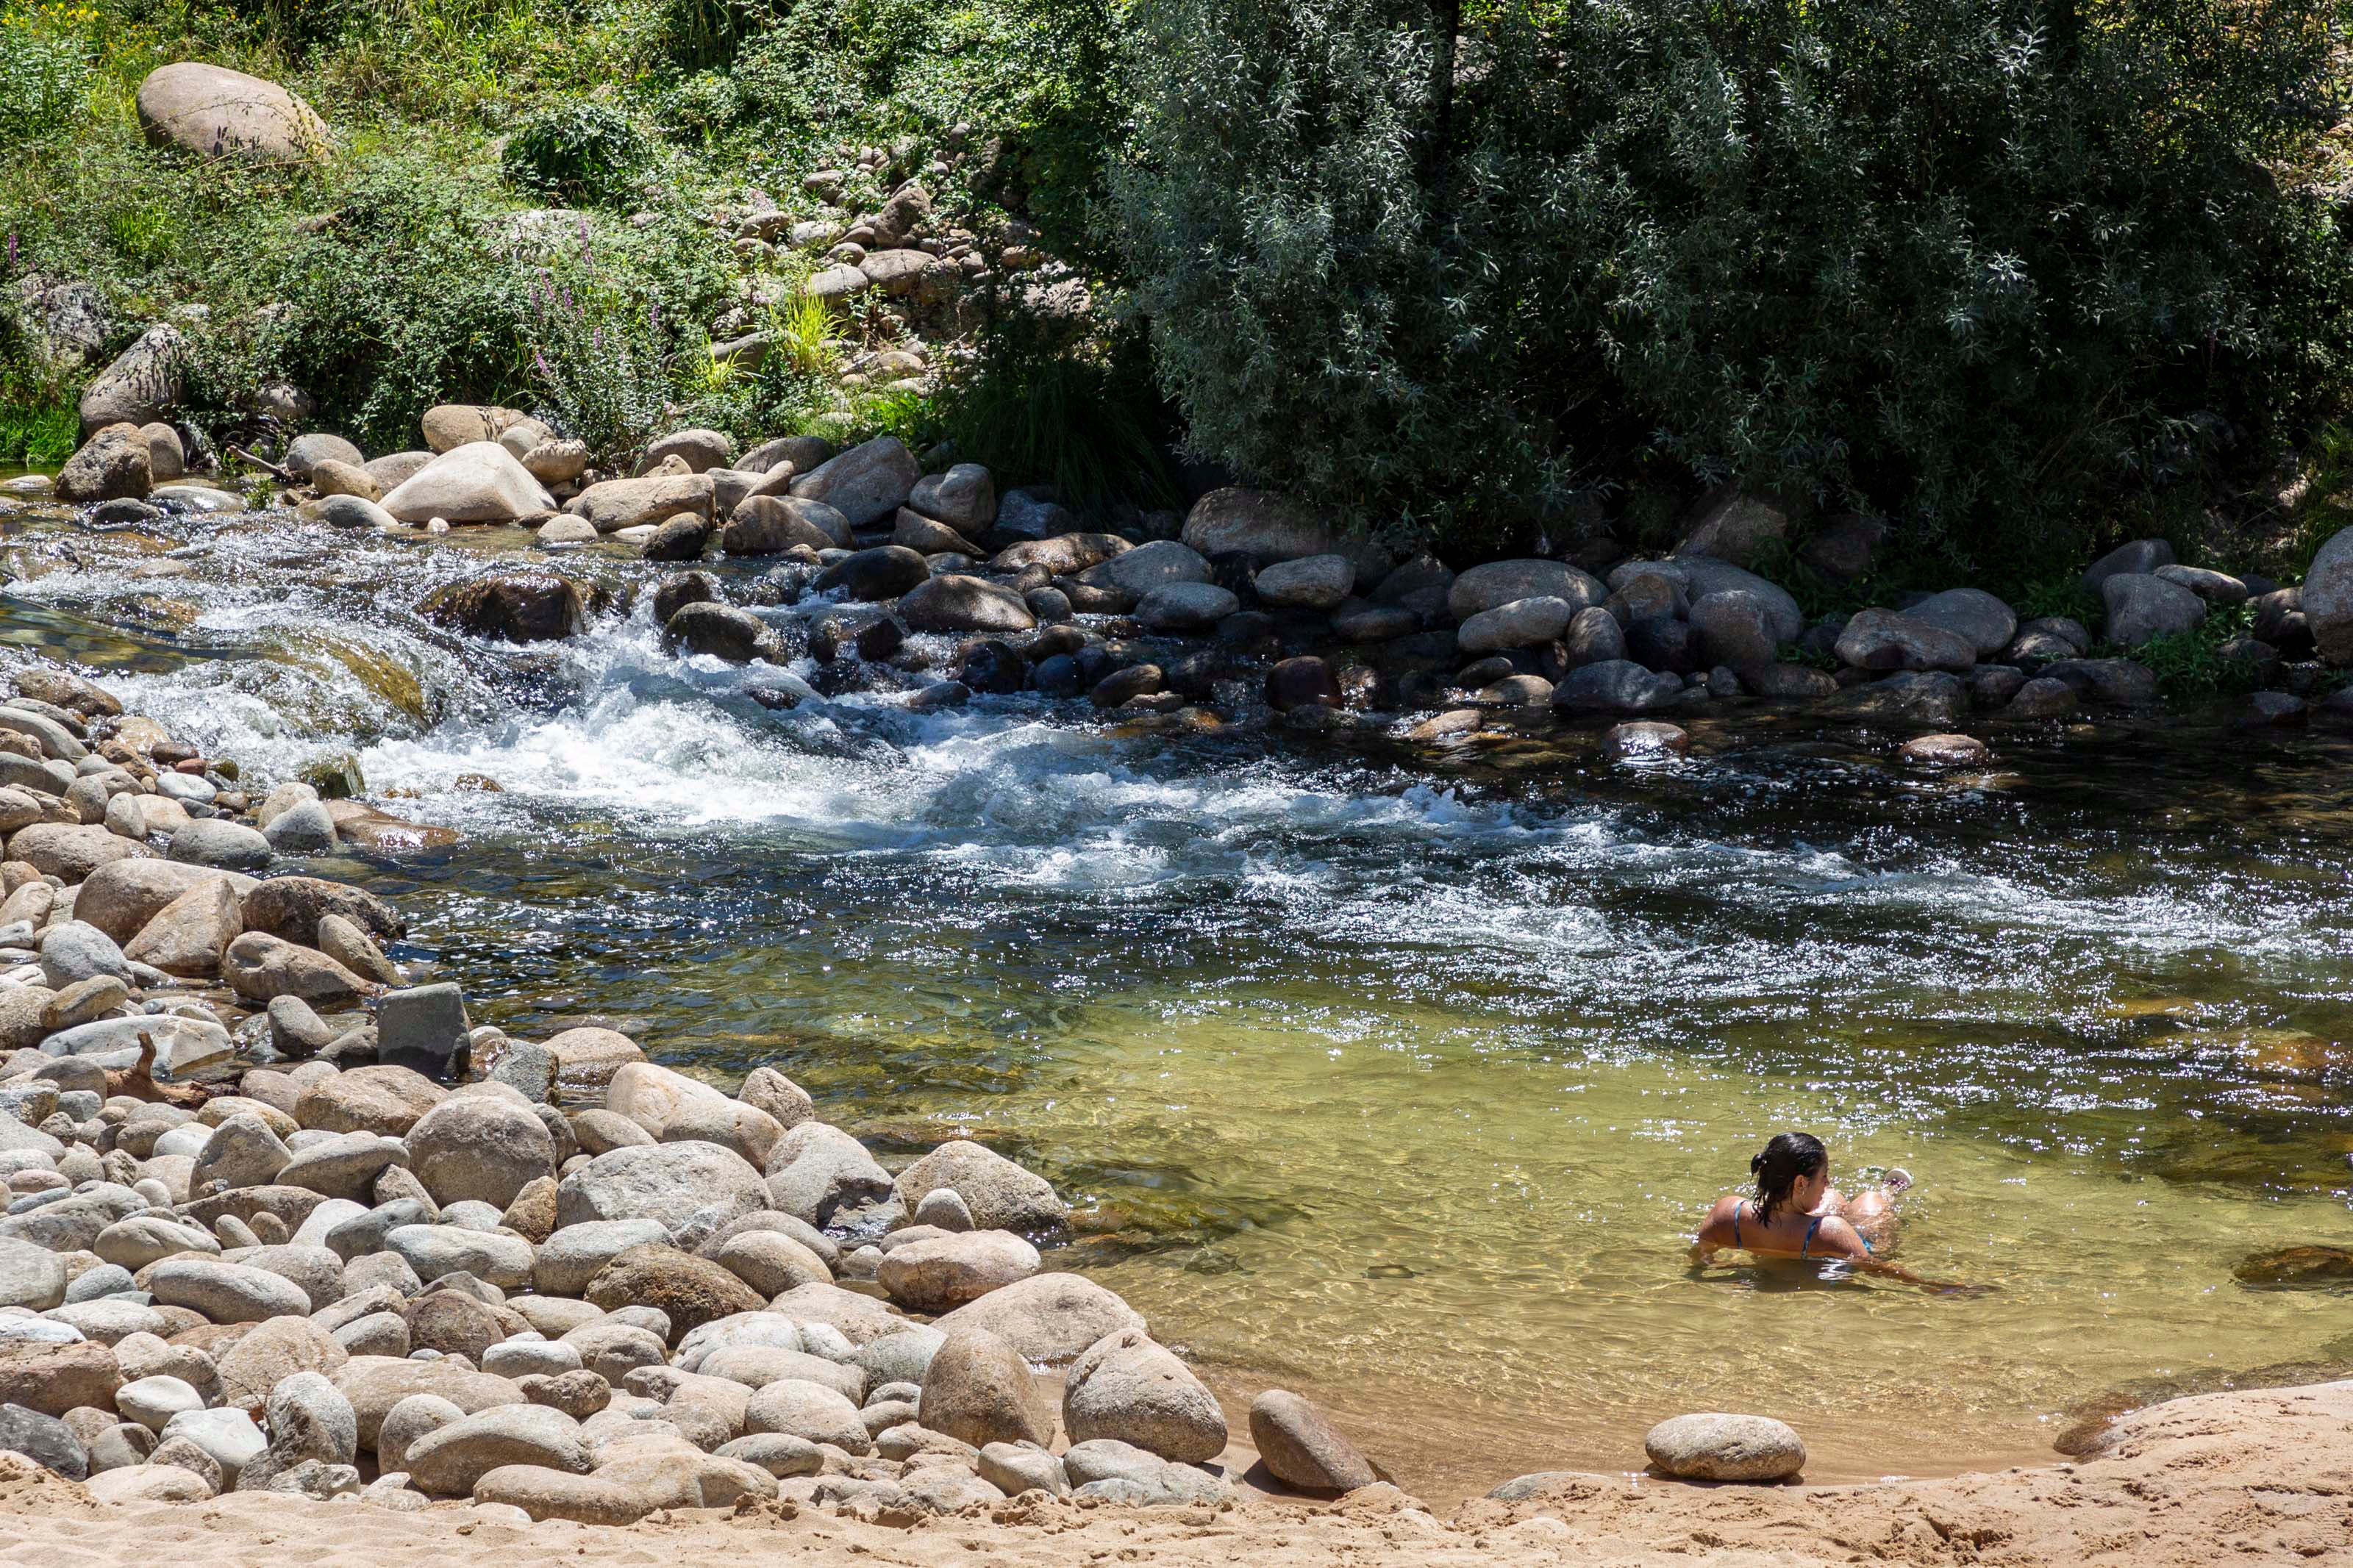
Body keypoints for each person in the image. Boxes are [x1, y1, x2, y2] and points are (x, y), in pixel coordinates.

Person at [1693, 1131, 1975, 1292]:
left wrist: (1732, 1272)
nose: (1826, 1181)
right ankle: (1890, 1190)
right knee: (1870, 1200)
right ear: (1801, 1183)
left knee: (1831, 1197)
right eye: (1824, 1175)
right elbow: (1878, 1269)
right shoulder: (1831, 1231)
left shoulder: (1727, 1213)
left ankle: (1867, 1193)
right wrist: (1937, 1285)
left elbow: (1700, 1256)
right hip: (1838, 1241)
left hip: (1788, 1230)